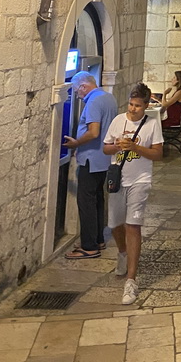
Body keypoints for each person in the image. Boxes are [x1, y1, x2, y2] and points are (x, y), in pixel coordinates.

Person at [103, 82, 163, 305]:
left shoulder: (152, 124)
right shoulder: (118, 121)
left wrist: (135, 147)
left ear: (146, 106)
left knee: (133, 225)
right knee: (115, 224)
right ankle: (122, 252)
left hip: (140, 179)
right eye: (131, 104)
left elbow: (157, 154)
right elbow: (105, 147)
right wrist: (118, 146)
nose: (133, 109)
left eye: (138, 105)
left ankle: (131, 280)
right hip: (118, 180)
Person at [63, 72, 118, 260]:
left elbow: (93, 132)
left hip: (91, 159)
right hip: (104, 159)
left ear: (83, 86)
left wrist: (76, 143)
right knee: (97, 200)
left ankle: (89, 246)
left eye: (77, 91)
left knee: (86, 202)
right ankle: (99, 239)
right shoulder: (109, 97)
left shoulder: (93, 102)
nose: (77, 95)